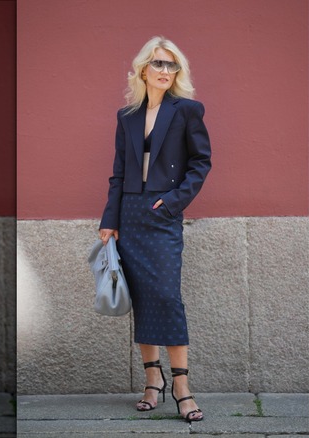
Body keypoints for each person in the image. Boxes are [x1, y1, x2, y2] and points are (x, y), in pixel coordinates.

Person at [99, 36, 211, 422]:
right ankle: (152, 381)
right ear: (143, 68)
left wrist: (173, 202)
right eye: (159, 64)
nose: (165, 71)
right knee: (143, 298)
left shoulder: (187, 111)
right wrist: (109, 220)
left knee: (166, 295)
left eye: (172, 65)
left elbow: (201, 164)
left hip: (162, 215)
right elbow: (118, 173)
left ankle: (182, 384)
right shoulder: (126, 116)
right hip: (129, 214)